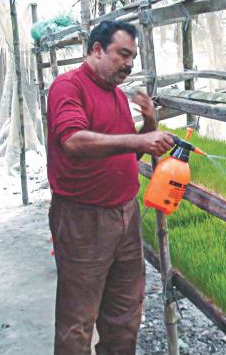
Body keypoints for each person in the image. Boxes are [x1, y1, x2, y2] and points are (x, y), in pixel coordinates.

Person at [46, 20, 175, 355]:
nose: (129, 64)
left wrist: (148, 123)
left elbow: (125, 149)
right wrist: (141, 136)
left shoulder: (117, 96)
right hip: (83, 220)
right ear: (97, 49)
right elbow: (74, 141)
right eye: (122, 54)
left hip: (125, 216)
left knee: (124, 315)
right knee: (78, 320)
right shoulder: (68, 87)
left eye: (132, 57)